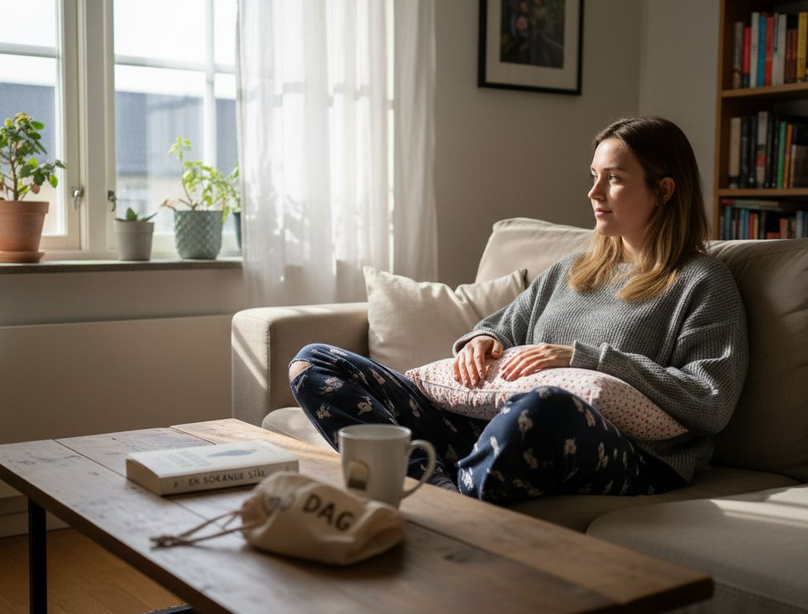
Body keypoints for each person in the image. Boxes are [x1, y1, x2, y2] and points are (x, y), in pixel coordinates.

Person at [287, 117, 749, 505]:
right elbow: (501, 327)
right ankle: (434, 488)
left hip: (633, 455)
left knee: (545, 404)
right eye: (593, 175)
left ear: (664, 190)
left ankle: (456, 492)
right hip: (495, 425)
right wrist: (481, 342)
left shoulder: (702, 282)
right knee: (315, 362)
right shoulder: (571, 269)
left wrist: (585, 358)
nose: (593, 192)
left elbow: (711, 400)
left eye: (614, 178)